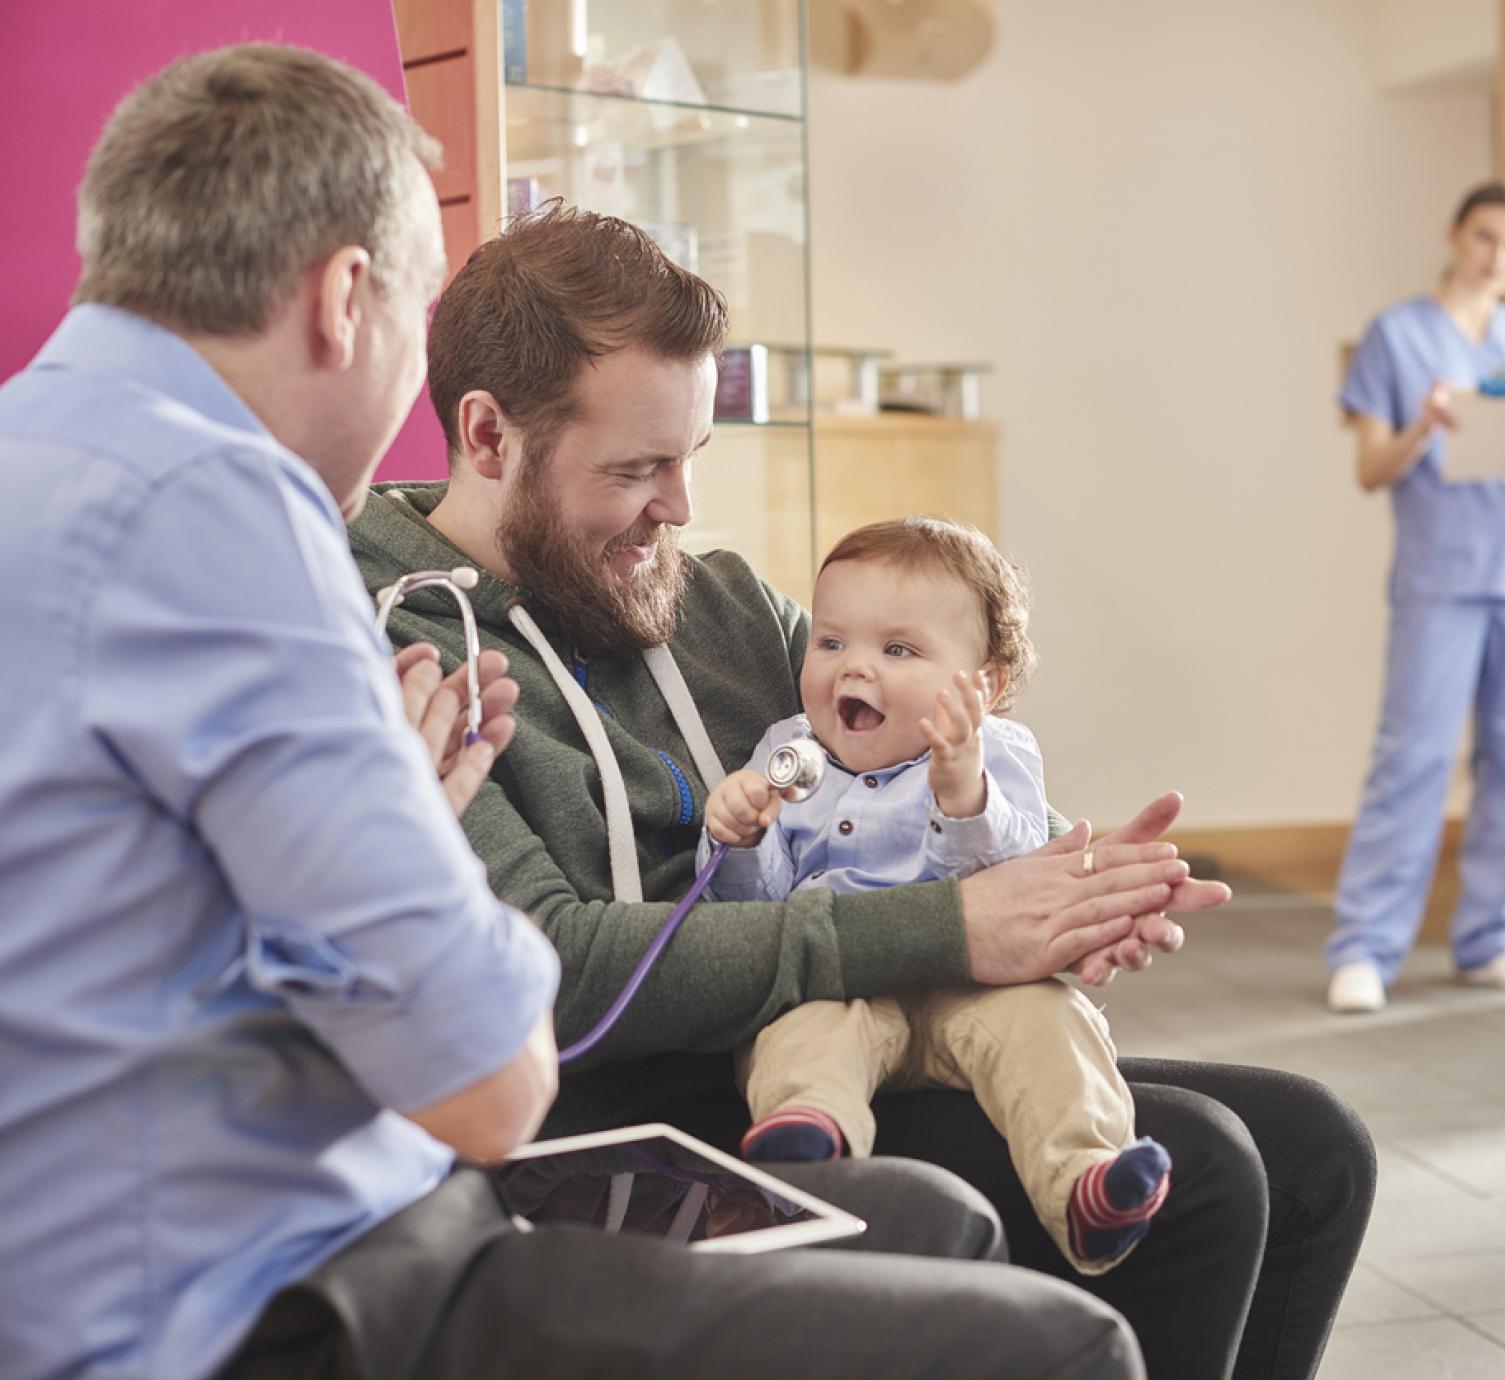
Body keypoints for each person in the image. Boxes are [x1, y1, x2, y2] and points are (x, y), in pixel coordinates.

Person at [0, 44, 1149, 1380]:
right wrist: (419, 843)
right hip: (259, 1291)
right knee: (1057, 1351)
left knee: (1261, 1158)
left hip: (119, 1253)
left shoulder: (42, 457)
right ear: (345, 297)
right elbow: (494, 1080)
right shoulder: (240, 522)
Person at [349, 202, 1376, 1380]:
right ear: (488, 436)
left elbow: (908, 769)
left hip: (823, 1035)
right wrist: (953, 928)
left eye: (689, 460)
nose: (678, 509)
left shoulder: (722, 600)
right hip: (623, 1093)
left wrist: (1052, 896)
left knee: (1313, 1149)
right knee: (1203, 1172)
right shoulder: (396, 646)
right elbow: (560, 977)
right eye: (636, 469)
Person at [706, 516, 1173, 1275]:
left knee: (1052, 1026)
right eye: (830, 643)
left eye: (897, 650)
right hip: (842, 983)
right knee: (798, 1030)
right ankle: (808, 1141)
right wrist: (741, 838)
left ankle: (1087, 1182)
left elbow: (1022, 871)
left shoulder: (1000, 754)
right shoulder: (787, 751)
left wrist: (963, 792)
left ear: (981, 686)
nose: (853, 670)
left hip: (975, 990)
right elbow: (756, 914)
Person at [1325, 181, 1505, 1014]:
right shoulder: (1398, 337)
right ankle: (1364, 947)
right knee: (1414, 757)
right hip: (1442, 572)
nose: (1496, 257)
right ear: (1454, 234)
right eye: (1484, 238)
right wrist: (1428, 425)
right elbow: (1371, 470)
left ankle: (1490, 937)